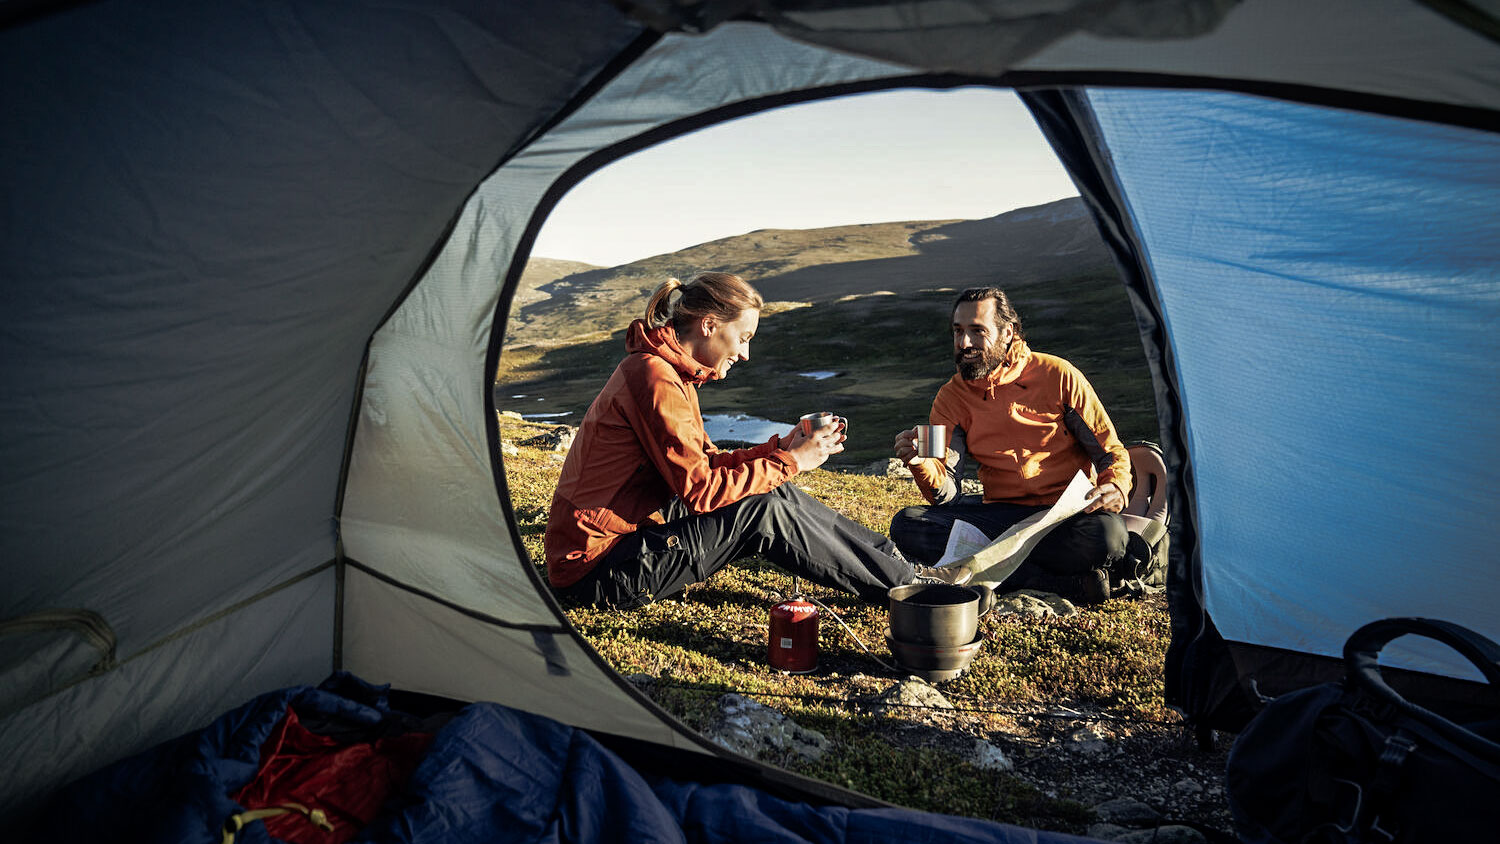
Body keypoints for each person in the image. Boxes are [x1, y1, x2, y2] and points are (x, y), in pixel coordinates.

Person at [544, 271, 965, 609]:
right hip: (595, 570)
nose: (745, 354)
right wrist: (793, 461)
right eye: (742, 338)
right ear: (709, 325)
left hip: (620, 542)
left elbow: (704, 463)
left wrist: (779, 449)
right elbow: (702, 491)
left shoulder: (669, 372)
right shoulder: (654, 378)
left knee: (775, 493)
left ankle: (901, 569)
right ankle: (909, 591)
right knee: (761, 508)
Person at [889, 286, 1132, 602]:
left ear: (1008, 332)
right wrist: (921, 464)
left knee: (1108, 536)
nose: (964, 343)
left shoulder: (1058, 375)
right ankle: (1062, 584)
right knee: (909, 525)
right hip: (1000, 515)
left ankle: (995, 572)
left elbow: (1109, 451)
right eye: (958, 331)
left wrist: (1116, 487)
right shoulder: (950, 398)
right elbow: (946, 491)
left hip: (1063, 514)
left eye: (977, 331)